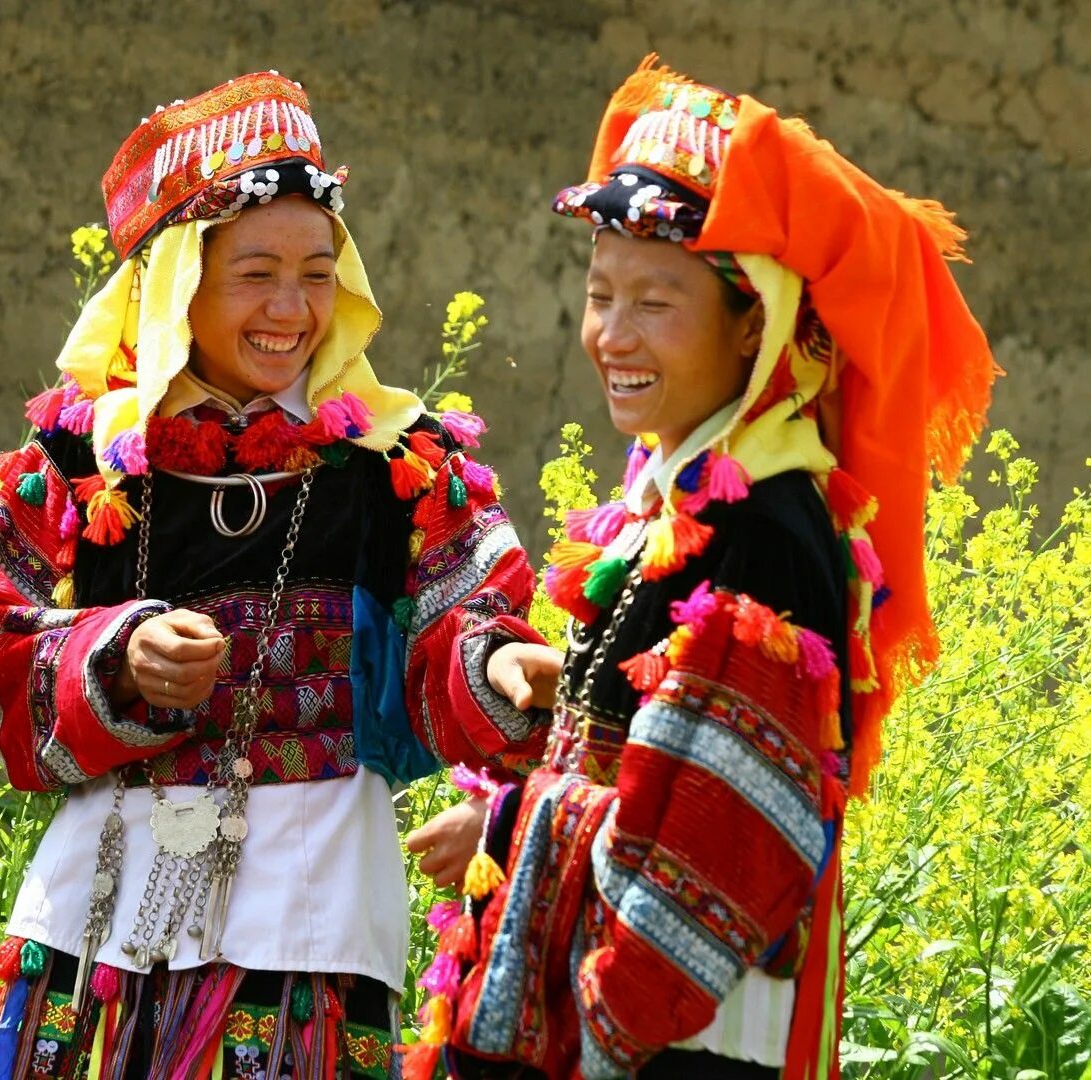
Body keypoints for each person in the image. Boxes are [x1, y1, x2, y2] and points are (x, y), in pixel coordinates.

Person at [0, 72, 548, 1080]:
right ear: (180, 281)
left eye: (317, 274)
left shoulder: (400, 463)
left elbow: (469, 611)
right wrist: (116, 656)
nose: (291, 308)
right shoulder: (84, 459)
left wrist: (503, 669)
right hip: (102, 928)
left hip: (309, 924)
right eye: (255, 273)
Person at [405, 57, 996, 1078]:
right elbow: (650, 763)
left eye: (655, 302)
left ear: (754, 328)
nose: (612, 336)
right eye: (600, 295)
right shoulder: (681, 506)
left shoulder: (765, 531)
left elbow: (702, 866)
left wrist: (513, 819)